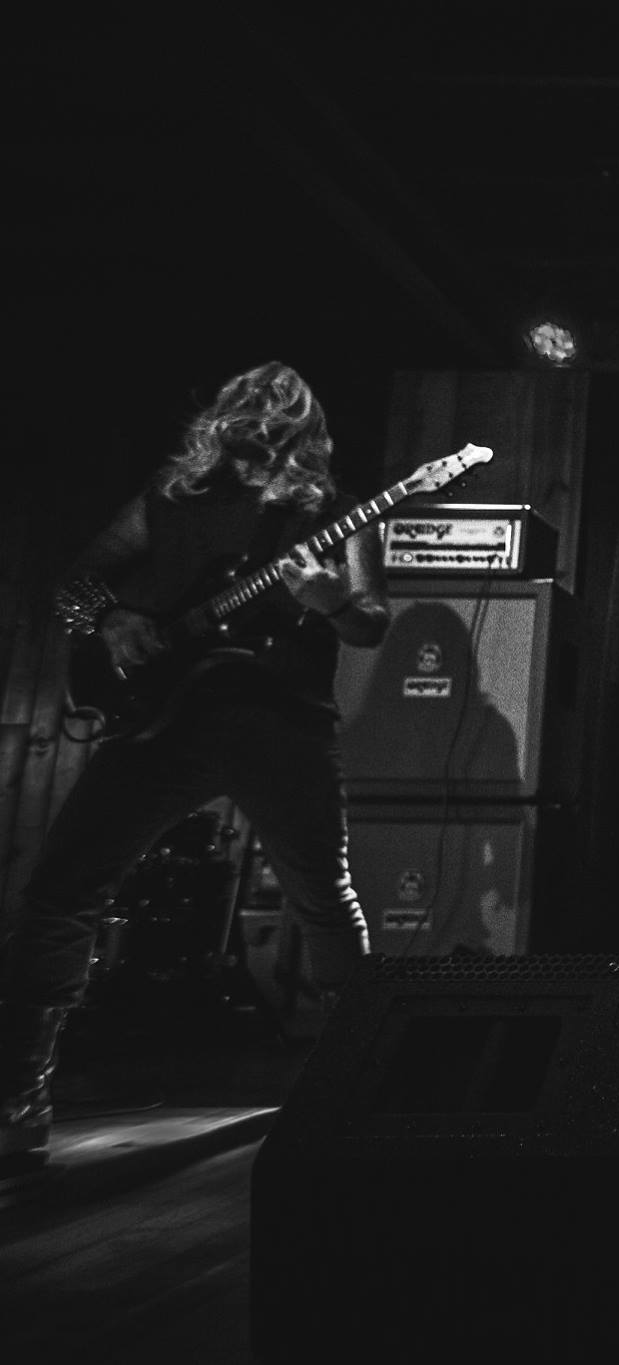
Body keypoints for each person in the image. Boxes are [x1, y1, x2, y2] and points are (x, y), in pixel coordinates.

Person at [0, 362, 386, 1166]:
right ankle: (19, 1093)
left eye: (273, 422)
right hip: (160, 721)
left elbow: (370, 622)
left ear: (299, 433)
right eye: (247, 417)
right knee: (62, 889)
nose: (257, 432)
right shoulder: (171, 499)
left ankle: (361, 1074)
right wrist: (111, 620)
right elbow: (75, 583)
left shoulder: (333, 514)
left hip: (280, 720)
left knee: (323, 892)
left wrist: (331, 602)